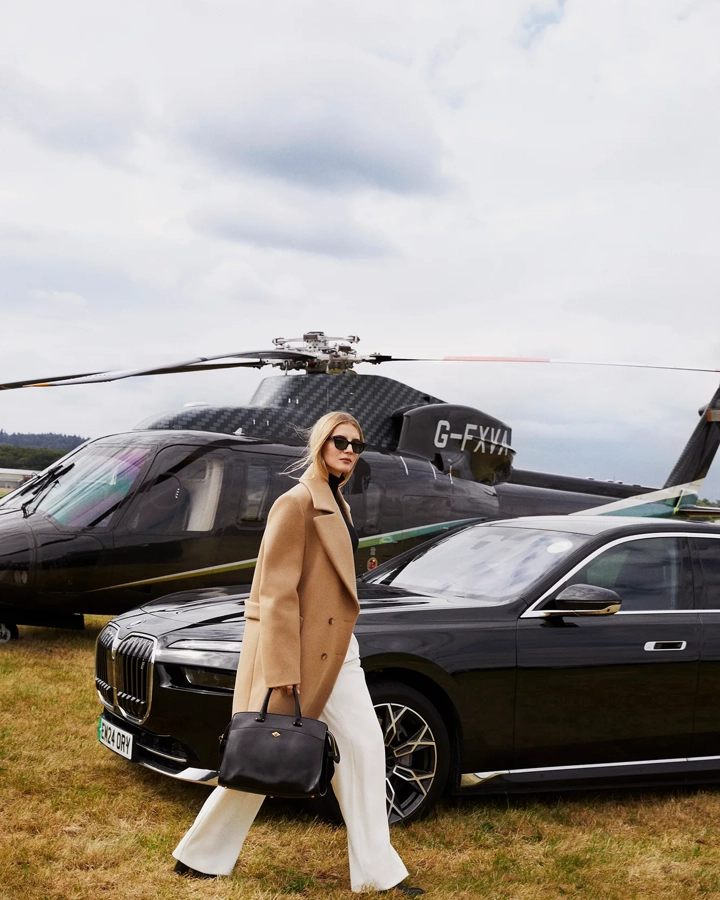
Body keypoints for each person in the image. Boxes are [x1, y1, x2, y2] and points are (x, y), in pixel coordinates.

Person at [172, 411, 423, 895]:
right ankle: (199, 855)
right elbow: (276, 593)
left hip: (337, 651)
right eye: (340, 441)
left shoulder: (337, 501)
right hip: (301, 653)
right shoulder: (296, 502)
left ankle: (378, 873)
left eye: (357, 444)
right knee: (264, 752)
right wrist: (284, 666)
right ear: (320, 444)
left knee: (366, 750)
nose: (349, 450)